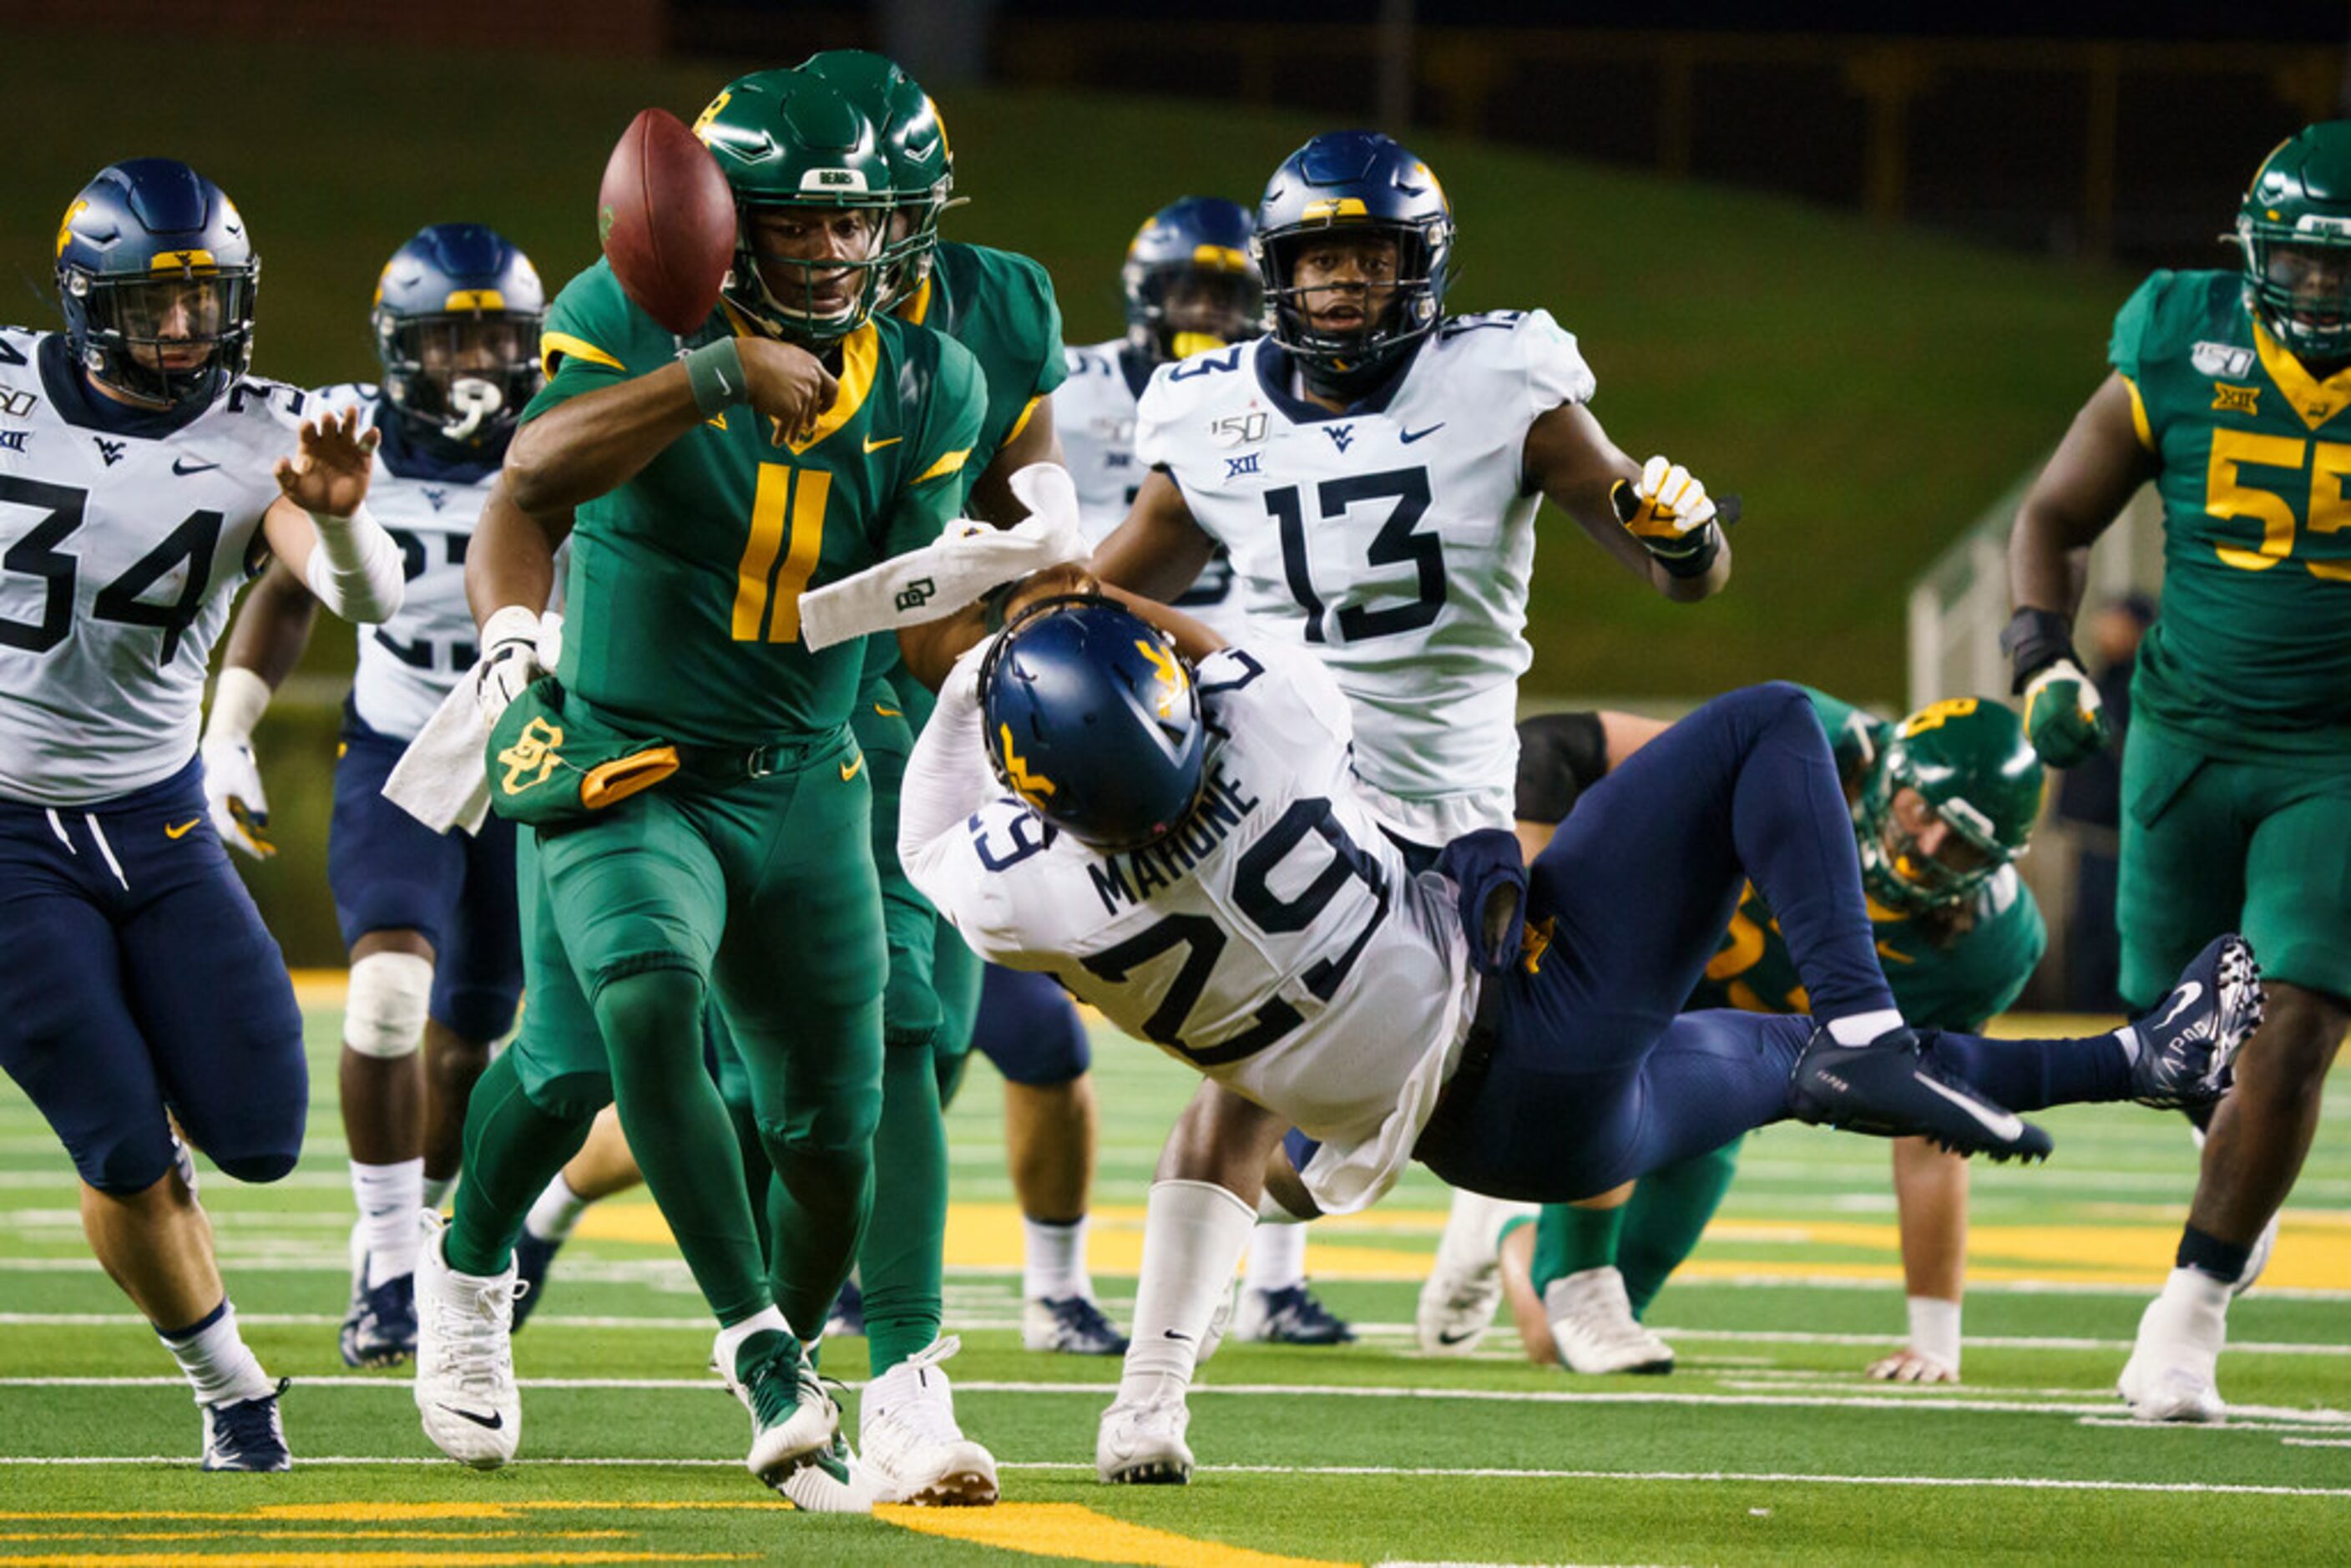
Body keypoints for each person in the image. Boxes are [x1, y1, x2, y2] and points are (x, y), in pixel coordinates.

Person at [897, 593, 2258, 1485]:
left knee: (1226, 1103)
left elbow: (934, 831)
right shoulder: (1273, 726)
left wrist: (966, 675)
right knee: (1774, 725)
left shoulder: (1024, 896)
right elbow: (1224, 646)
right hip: (1532, 1037)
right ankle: (1899, 1021)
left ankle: (1147, 1405)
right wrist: (1069, 598)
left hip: (1426, 1123)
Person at [499, 48, 1074, 1505]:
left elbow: (940, 591)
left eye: (867, 216)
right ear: (716, 217)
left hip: (865, 733)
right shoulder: (640, 310)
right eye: (805, 219)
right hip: (674, 738)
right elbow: (533, 480)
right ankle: (875, 1365)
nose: (841, 247)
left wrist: (1035, 624)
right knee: (643, 1034)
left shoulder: (979, 327)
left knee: (886, 1070)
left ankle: (836, 1342)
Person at [1089, 129, 1735, 1352]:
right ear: (1280, 270)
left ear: (1417, 267)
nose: (1341, 285)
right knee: (1244, 1087)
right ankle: (1156, 1381)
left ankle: (1458, 1233)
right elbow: (1105, 589)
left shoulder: (1502, 382)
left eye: (1369, 259)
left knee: (1439, 1088)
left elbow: (1671, 569)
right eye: (1318, 261)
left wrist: (1688, 538)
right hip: (1291, 783)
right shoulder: (1214, 408)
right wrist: (1034, 602)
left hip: (1452, 802)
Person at [0, 158, 407, 1469]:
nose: (182, 329)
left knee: (261, 1134)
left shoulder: (269, 428)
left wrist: (338, 522)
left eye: (203, 300)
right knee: (126, 1145)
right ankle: (229, 1384)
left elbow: (372, 596)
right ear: (81, 300)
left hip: (154, 816)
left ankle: (150, 1143)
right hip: (6, 830)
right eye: (150, 302)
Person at [2004, 121, 2351, 1423]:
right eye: (2301, 267)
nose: (2319, 295)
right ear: (2254, 258)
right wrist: (2044, 659)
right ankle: (2237, 1179)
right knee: (2184, 1030)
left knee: (2298, 1024)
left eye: (2344, 272)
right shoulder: (2180, 338)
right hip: (2189, 737)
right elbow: (2054, 515)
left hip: (2336, 753)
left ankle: (2188, 1306)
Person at [1421, 694, 2047, 1383]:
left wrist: (1935, 1338)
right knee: (1580, 1310)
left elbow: (1928, 1138)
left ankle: (1498, 1220)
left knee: (1547, 1341)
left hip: (1722, 1083)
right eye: (1922, 812)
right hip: (1613, 1008)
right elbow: (1553, 747)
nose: (1926, 846)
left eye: (1960, 842)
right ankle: (1515, 1201)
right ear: (1888, 776)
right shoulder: (1806, 753)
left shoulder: (1991, 946)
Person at [202, 223, 545, 1372]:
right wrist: (232, 726)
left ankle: (435, 1227)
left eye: (501, 335)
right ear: (403, 349)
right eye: (454, 340)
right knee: (389, 989)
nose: (480, 362)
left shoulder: (559, 439)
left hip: (524, 750)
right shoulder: (342, 428)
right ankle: (387, 1253)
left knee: (469, 1043)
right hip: (406, 748)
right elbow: (288, 587)